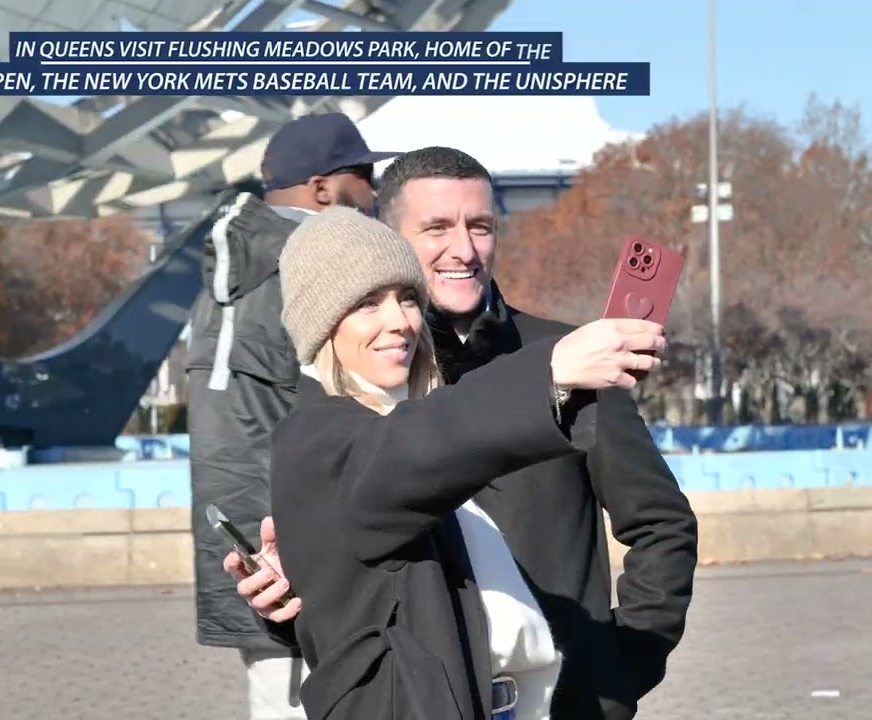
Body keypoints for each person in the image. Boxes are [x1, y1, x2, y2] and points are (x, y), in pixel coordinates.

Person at [228, 146, 699, 719]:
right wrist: (289, 598)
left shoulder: (575, 359)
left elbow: (661, 524)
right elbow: (370, 548)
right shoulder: (340, 411)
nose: (464, 249)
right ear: (390, 239)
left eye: (480, 226)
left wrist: (618, 673)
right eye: (436, 228)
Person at [185, 112, 398, 720]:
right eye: (363, 177)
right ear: (322, 189)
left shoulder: (235, 272)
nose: (375, 192)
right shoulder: (309, 267)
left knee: (277, 699)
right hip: (297, 548)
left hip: (245, 542)